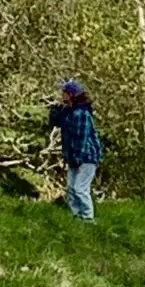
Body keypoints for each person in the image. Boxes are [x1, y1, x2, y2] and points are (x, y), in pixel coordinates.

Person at [49, 79, 104, 222]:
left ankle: (88, 217)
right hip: (73, 155)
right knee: (71, 188)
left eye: (65, 92)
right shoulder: (69, 111)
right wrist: (55, 112)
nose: (62, 95)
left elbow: (81, 137)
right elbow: (56, 123)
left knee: (80, 188)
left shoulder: (81, 113)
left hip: (86, 156)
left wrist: (78, 157)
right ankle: (76, 216)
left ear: (71, 95)